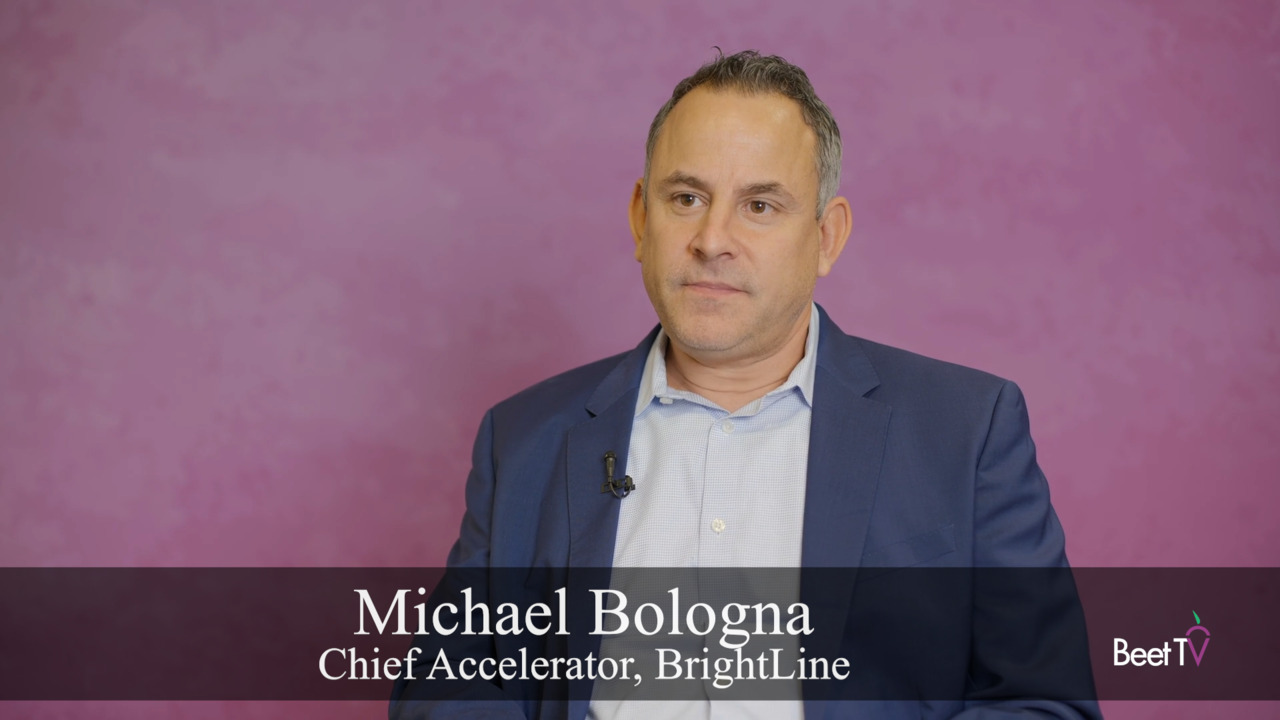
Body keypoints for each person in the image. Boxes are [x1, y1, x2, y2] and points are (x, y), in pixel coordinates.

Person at [391, 50, 1099, 720]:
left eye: (760, 205)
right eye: (687, 197)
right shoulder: (523, 440)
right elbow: (445, 689)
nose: (712, 239)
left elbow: (1043, 701)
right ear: (641, 218)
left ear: (827, 237)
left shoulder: (967, 433)